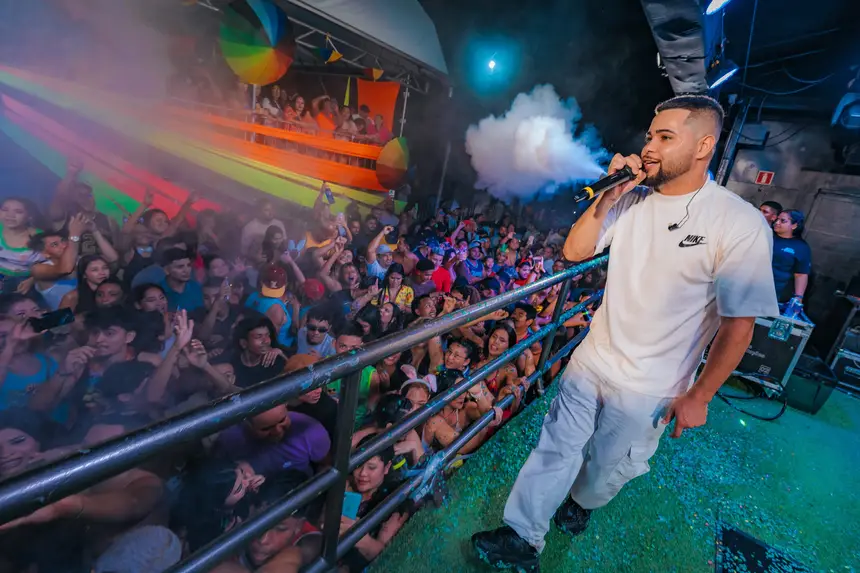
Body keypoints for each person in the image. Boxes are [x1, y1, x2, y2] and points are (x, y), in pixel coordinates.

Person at [472, 95, 778, 571]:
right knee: (555, 448)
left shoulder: (738, 223)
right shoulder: (632, 199)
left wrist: (700, 395)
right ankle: (521, 536)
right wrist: (607, 198)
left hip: (651, 386)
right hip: (592, 360)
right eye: (650, 136)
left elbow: (739, 325)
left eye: (665, 137)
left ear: (703, 147)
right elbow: (575, 252)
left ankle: (583, 502)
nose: (649, 147)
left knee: (604, 470)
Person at [215, 403, 331, 479]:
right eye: (266, 428)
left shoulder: (309, 430)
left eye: (282, 420)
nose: (277, 431)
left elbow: (326, 465)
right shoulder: (230, 440)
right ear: (246, 424)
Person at [771, 209, 812, 305]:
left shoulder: (801, 247)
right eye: (777, 219)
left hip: (775, 291)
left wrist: (798, 298)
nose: (777, 223)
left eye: (782, 221)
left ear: (794, 225)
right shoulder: (766, 235)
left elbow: (801, 274)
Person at [159, 248, 204, 312]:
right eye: (180, 267)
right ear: (166, 270)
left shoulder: (196, 287)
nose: (186, 270)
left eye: (188, 265)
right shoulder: (159, 291)